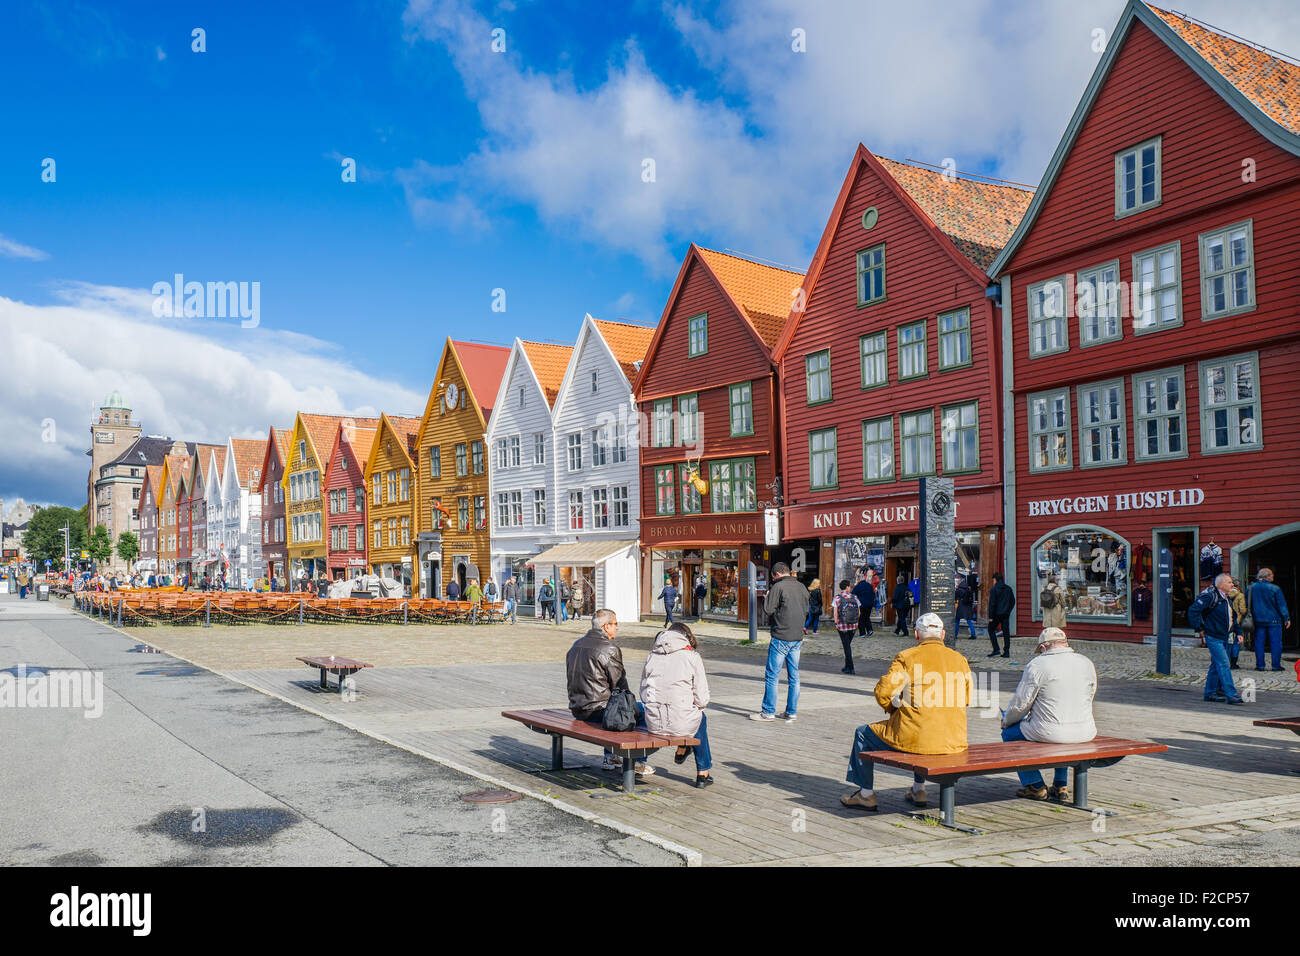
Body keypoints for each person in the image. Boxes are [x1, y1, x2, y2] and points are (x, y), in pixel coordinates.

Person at [841, 612, 972, 811]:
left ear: (917, 635)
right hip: (953, 739)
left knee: (863, 734)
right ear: (943, 635)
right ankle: (918, 789)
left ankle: (866, 794)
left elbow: (884, 692)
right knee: (919, 722)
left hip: (917, 737)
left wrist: (893, 708)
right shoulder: (960, 660)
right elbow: (967, 699)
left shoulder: (907, 657)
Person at [1000, 627, 1097, 801]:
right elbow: (1091, 694)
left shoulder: (1038, 665)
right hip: (1086, 730)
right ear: (1065, 643)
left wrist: (1007, 721)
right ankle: (1061, 784)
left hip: (1049, 730)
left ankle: (1034, 785)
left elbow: (1021, 703)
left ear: (1044, 647)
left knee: (1009, 734)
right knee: (1062, 734)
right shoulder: (1086, 662)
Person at [566, 608, 652, 776]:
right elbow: (620, 685)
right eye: (615, 624)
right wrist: (633, 707)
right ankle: (636, 762)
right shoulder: (609, 648)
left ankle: (611, 757)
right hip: (598, 710)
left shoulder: (576, 644)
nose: (617, 628)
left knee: (613, 707)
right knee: (642, 712)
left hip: (577, 707)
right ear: (606, 626)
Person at [640, 622, 713, 788]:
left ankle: (684, 748)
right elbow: (702, 698)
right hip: (681, 722)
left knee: (692, 718)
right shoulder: (692, 656)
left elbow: (643, 692)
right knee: (700, 719)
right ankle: (702, 773)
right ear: (686, 637)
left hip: (654, 722)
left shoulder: (652, 655)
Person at [751, 562, 809, 722]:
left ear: (776, 574)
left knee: (772, 676)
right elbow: (806, 610)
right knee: (794, 676)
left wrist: (767, 597)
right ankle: (791, 711)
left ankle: (768, 712)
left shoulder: (778, 587)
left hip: (780, 636)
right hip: (797, 637)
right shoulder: (801, 587)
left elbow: (768, 610)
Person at [1188, 572, 1244, 705]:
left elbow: (1233, 617)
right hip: (1213, 636)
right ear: (1221, 584)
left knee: (1216, 665)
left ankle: (1210, 693)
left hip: (1224, 635)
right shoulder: (1210, 596)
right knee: (1224, 664)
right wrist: (1199, 628)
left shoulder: (1227, 598)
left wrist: (1239, 631)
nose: (1232, 585)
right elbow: (1193, 610)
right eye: (1230, 582)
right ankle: (1231, 694)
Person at [1250, 568, 1291, 672]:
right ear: (1266, 576)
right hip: (1274, 620)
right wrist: (1286, 618)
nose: (1273, 576)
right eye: (1271, 575)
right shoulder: (1275, 588)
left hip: (1258, 619)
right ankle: (1276, 666)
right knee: (1276, 643)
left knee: (1259, 643)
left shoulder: (1251, 587)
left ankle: (1260, 666)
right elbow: (1281, 605)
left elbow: (1248, 603)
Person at [832, 579, 861, 674]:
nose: (851, 588)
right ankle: (846, 667)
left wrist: (836, 623)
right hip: (853, 626)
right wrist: (856, 622)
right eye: (850, 586)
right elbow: (859, 612)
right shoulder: (855, 597)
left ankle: (851, 668)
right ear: (847, 587)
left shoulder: (837, 598)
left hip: (842, 626)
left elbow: (835, 613)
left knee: (847, 647)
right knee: (847, 646)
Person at [988, 572, 1016, 658]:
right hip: (1005, 614)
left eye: (993, 580)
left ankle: (996, 649)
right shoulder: (1008, 589)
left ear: (995, 580)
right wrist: (1008, 611)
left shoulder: (994, 589)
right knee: (1006, 633)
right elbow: (1013, 601)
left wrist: (991, 616)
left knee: (991, 629)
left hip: (996, 614)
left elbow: (992, 604)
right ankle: (1006, 651)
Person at [1227, 578, 1247, 670]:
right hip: (1237, 622)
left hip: (1227, 623)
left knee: (1228, 642)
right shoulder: (1240, 595)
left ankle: (1227, 660)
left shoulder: (1225, 594)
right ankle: (1234, 663)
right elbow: (1242, 610)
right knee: (1236, 643)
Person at [852, 568, 876, 637]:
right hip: (869, 604)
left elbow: (853, 594)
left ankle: (862, 633)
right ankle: (869, 630)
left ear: (859, 579)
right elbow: (873, 594)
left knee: (861, 619)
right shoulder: (869, 585)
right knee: (867, 617)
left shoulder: (858, 586)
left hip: (862, 605)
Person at [955, 575, 978, 639]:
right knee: (969, 621)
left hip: (961, 607)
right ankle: (973, 635)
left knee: (957, 621)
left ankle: (955, 634)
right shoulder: (969, 591)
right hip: (968, 608)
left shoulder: (959, 590)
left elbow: (955, 597)